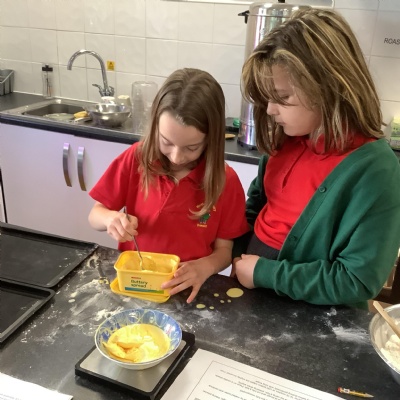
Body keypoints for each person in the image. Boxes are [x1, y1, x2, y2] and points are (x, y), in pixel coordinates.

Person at [232, 8, 400, 308]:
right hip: (254, 295)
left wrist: (266, 273)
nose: (270, 109)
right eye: (268, 97)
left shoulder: (376, 170)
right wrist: (227, 250)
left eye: (282, 98)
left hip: (315, 316)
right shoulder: (286, 139)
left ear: (327, 88)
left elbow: (357, 280)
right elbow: (255, 208)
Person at [88, 68, 249, 303]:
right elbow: (95, 215)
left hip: (189, 291)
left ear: (211, 139)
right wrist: (110, 219)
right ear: (155, 126)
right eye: (166, 142)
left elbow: (224, 251)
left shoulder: (225, 180)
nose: (176, 157)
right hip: (135, 285)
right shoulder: (136, 159)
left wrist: (205, 267)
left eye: (191, 148)